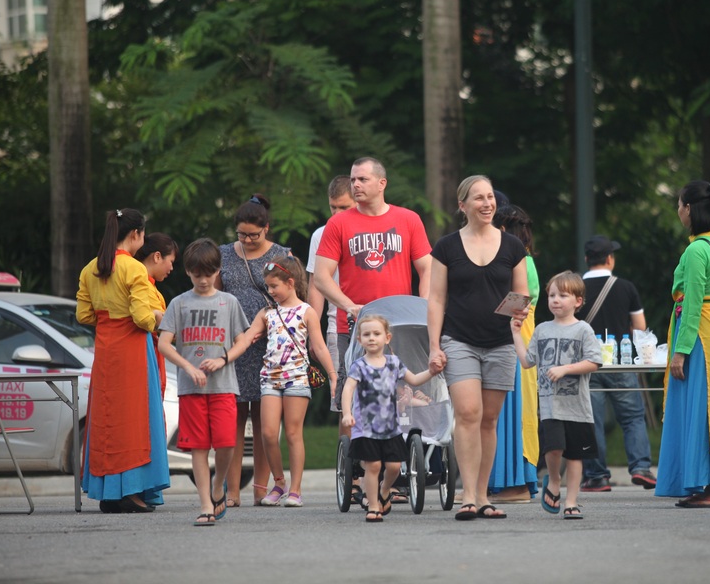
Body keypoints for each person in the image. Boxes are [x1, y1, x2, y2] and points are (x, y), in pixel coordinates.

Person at [428, 175, 529, 521]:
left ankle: (484, 496)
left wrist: (521, 309)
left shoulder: (514, 247)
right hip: (458, 340)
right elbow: (436, 298)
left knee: (489, 420)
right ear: (463, 205)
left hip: (500, 343)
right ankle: (468, 494)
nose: (487, 204)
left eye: (490, 198)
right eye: (478, 198)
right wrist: (433, 346)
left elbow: (522, 293)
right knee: (468, 414)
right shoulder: (446, 247)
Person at [314, 157, 432, 422]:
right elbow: (322, 278)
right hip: (355, 326)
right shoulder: (339, 223)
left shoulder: (408, 220)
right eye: (353, 179)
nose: (355, 184)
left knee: (406, 396)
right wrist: (348, 305)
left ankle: (404, 455)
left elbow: (428, 269)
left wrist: (423, 305)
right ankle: (356, 457)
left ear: (382, 184)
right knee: (353, 400)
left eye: (362, 179)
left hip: (398, 326)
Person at [654, 182, 710, 507]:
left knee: (703, 409)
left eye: (680, 205)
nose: (678, 210)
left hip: (701, 337)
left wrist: (680, 351)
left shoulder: (695, 250)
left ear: (690, 209)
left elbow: (691, 304)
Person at [76, 208, 170, 513]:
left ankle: (108, 492)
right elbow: (143, 319)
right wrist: (162, 320)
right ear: (136, 235)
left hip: (105, 350)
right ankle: (131, 491)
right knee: (135, 420)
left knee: (107, 418)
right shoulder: (133, 269)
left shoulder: (91, 267)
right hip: (131, 349)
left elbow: (84, 315)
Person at [226, 255, 337, 508]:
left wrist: (332, 375)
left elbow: (318, 347)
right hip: (270, 379)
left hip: (297, 379)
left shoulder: (306, 311)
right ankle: (279, 483)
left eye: (274, 286)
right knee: (266, 434)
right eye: (268, 286)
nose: (270, 291)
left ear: (290, 282)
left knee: (293, 433)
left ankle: (296, 489)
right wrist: (225, 358)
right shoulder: (266, 313)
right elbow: (246, 338)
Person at [158, 238, 252, 526]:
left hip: (223, 386)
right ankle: (204, 505)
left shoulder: (229, 302)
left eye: (208, 274)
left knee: (225, 444)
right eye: (197, 274)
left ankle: (218, 484)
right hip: (191, 389)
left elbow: (243, 339)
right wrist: (188, 367)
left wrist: (223, 359)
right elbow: (164, 344)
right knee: (198, 447)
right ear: (188, 272)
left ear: (218, 271)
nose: (202, 279)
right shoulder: (179, 303)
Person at [217, 194, 291, 507]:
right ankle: (232, 491)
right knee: (233, 417)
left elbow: (291, 298)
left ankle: (261, 489)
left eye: (254, 235)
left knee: (264, 421)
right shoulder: (222, 254)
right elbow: (216, 294)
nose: (247, 240)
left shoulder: (283, 255)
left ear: (266, 229)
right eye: (242, 234)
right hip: (233, 344)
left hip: (270, 345)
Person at [511, 271, 601, 520]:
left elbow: (594, 361)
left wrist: (565, 369)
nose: (555, 300)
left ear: (578, 301)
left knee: (575, 455)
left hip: (578, 407)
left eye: (562, 295)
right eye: (552, 295)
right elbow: (527, 361)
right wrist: (516, 333)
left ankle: (571, 501)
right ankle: (553, 480)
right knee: (553, 450)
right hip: (551, 407)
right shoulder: (541, 330)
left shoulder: (584, 330)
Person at [576, 235, 655, 492]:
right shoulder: (626, 287)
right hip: (620, 362)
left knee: (592, 419)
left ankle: (597, 476)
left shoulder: (574, 289)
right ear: (610, 259)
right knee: (632, 417)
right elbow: (640, 328)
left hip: (587, 363)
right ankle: (641, 467)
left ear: (587, 260)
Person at [341, 315, 435, 522]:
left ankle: (385, 491)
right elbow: (348, 389)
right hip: (366, 427)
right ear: (359, 340)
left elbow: (414, 379)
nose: (372, 338)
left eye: (376, 334)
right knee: (373, 466)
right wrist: (347, 413)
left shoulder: (394, 363)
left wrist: (431, 371)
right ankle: (373, 505)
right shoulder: (359, 366)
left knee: (393, 467)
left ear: (387, 338)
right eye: (366, 335)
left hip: (390, 427)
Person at [489, 204, 540, 503]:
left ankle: (517, 482)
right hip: (514, 337)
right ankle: (500, 481)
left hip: (514, 339)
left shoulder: (519, 260)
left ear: (504, 230)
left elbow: (517, 303)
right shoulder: (523, 258)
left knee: (515, 412)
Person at [306, 175, 356, 376]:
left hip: (376, 323)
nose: (336, 214)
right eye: (333, 207)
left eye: (344, 207)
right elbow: (315, 287)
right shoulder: (321, 235)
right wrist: (313, 333)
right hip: (337, 326)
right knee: (342, 393)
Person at [134, 232, 178, 397]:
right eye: (171, 262)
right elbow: (162, 324)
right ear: (157, 256)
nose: (172, 268)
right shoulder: (141, 284)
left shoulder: (150, 286)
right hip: (145, 353)